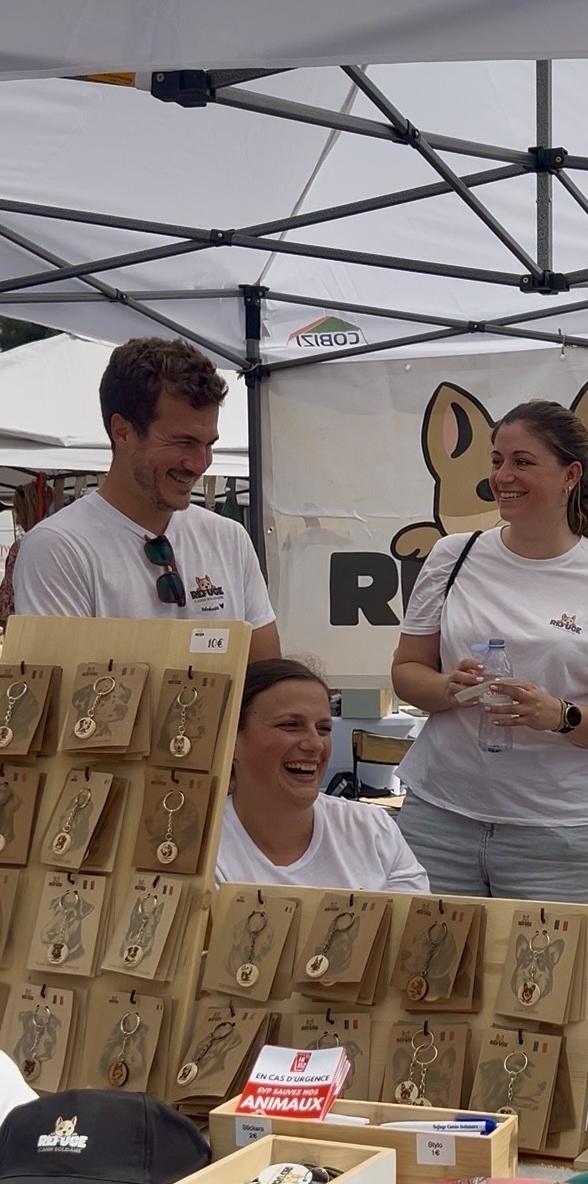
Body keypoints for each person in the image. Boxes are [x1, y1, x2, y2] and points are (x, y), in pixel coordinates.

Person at [391, 399, 588, 901]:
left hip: (559, 838)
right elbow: (408, 670)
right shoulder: (454, 555)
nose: (502, 475)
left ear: (570, 475)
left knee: (546, 982)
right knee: (428, 979)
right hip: (440, 820)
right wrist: (446, 688)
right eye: (496, 460)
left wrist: (559, 715)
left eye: (522, 461)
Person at [13, 335, 280, 651]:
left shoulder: (229, 539)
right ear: (122, 432)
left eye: (209, 445)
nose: (200, 463)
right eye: (183, 442)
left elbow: (267, 686)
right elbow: (68, 696)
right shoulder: (58, 548)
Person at [216, 659, 429, 891]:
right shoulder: (197, 850)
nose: (315, 744)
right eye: (290, 725)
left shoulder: (373, 830)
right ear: (232, 741)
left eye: (324, 729)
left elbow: (413, 923)